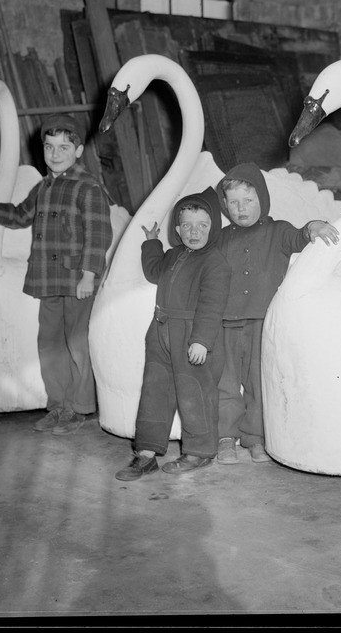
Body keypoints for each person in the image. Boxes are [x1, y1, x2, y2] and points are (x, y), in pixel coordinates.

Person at [0, 114, 112, 436]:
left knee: (76, 344)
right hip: (48, 279)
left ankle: (80, 408)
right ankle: (58, 405)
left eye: (64, 147)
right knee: (49, 345)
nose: (56, 153)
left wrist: (89, 276)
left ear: (78, 151)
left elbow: (99, 236)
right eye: (50, 147)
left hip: (77, 280)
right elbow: (21, 215)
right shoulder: (44, 186)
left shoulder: (88, 188)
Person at [212, 163, 340, 465]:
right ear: (225, 205)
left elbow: (299, 236)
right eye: (233, 202)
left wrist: (315, 227)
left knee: (259, 382)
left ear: (263, 200)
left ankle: (255, 438)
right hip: (224, 323)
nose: (241, 208)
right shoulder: (220, 237)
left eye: (248, 200)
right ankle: (225, 438)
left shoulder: (277, 230)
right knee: (225, 383)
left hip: (262, 323)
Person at [115, 187, 231, 480]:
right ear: (177, 229)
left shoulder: (214, 262)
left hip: (192, 336)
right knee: (155, 391)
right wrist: (152, 243)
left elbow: (212, 304)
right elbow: (154, 271)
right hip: (160, 332)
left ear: (213, 228)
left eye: (202, 225)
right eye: (187, 226)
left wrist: (202, 340)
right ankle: (146, 452)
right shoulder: (173, 255)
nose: (194, 232)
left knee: (194, 393)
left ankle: (199, 452)